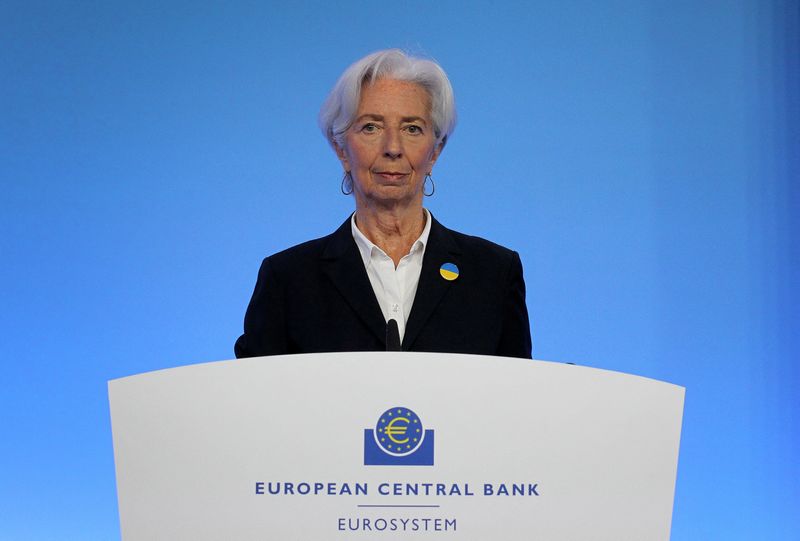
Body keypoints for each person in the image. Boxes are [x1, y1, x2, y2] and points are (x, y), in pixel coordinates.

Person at [235, 49, 531, 359]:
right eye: (371, 127)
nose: (393, 148)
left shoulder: (494, 274)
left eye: (412, 129)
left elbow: (518, 398)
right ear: (340, 148)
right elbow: (254, 397)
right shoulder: (288, 279)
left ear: (435, 151)